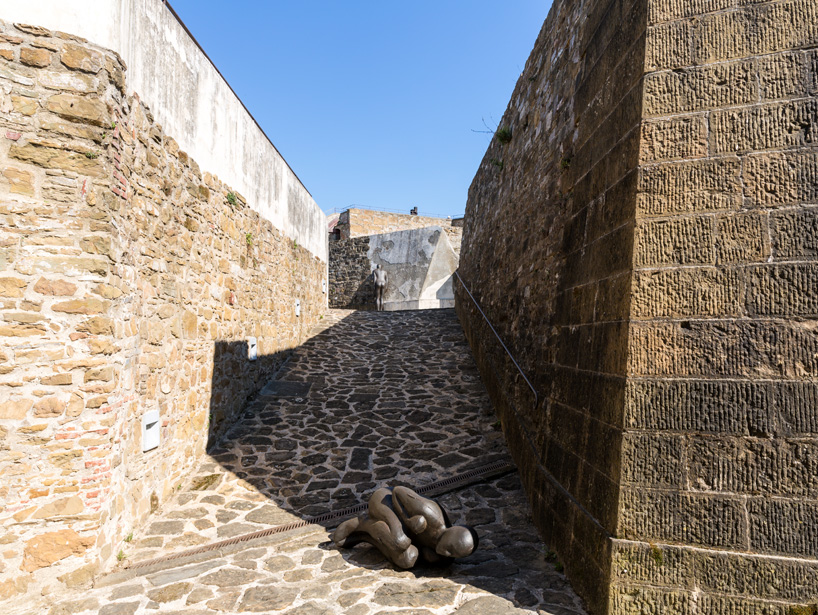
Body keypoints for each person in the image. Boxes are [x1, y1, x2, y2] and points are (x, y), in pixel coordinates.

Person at [332, 485, 478, 569]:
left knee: (407, 560)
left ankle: (365, 536)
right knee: (400, 541)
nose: (447, 554)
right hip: (386, 501)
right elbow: (398, 491)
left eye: (453, 554)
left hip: (404, 528)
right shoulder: (429, 512)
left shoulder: (445, 554)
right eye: (450, 549)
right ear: (452, 534)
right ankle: (362, 524)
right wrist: (407, 520)